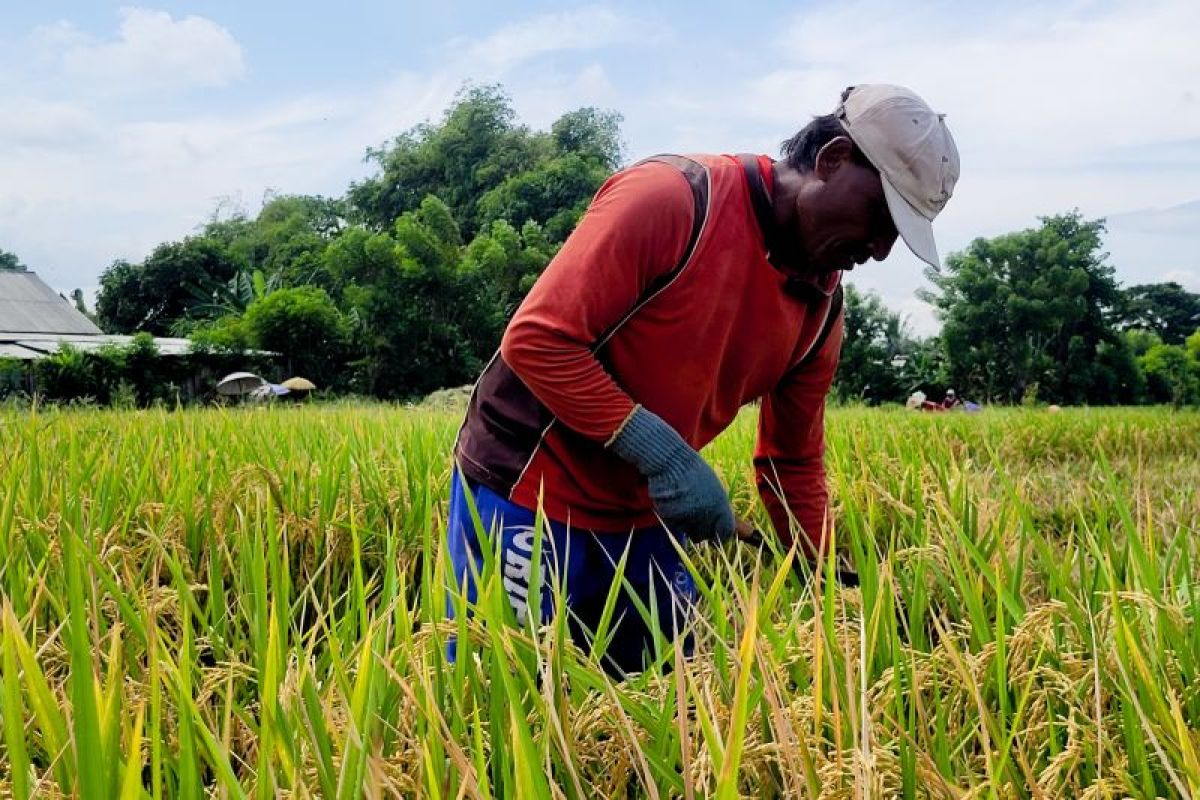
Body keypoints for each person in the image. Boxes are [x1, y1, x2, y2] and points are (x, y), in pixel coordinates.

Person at [448, 84, 960, 675]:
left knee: (677, 703)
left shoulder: (820, 309)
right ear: (833, 161)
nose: (879, 249)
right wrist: (664, 455)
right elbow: (538, 342)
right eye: (881, 217)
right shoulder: (673, 200)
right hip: (529, 492)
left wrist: (820, 571)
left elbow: (791, 462)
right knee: (509, 705)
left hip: (646, 514)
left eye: (897, 235)